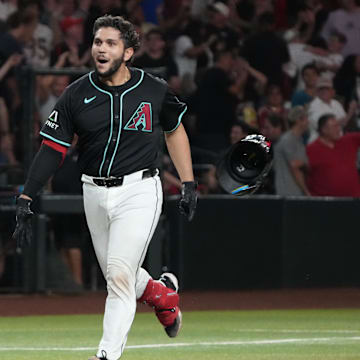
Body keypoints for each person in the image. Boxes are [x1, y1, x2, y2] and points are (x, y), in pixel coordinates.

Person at [11, 15, 198, 360]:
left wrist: (187, 182)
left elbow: (174, 130)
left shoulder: (153, 89)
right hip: (94, 192)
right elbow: (53, 148)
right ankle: (163, 296)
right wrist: (26, 195)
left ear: (127, 53)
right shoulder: (76, 93)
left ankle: (106, 355)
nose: (101, 48)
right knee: (120, 272)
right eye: (98, 42)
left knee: (118, 278)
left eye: (111, 43)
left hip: (139, 189)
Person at [306, 113, 360, 196]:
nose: (339, 129)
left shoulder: (349, 140)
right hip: (326, 203)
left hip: (354, 200)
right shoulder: (311, 150)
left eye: (339, 126)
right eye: (335, 127)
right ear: (324, 129)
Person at [273, 106, 310, 196]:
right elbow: (294, 166)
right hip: (288, 192)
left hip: (295, 191)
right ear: (298, 120)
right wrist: (306, 191)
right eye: (306, 119)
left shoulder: (298, 139)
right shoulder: (288, 139)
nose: (308, 122)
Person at [307, 76, 356, 143]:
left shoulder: (336, 103)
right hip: (320, 143)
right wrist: (350, 113)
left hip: (337, 141)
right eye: (321, 89)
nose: (324, 91)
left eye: (327, 89)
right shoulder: (313, 106)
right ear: (317, 92)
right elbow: (327, 127)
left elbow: (345, 123)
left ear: (332, 91)